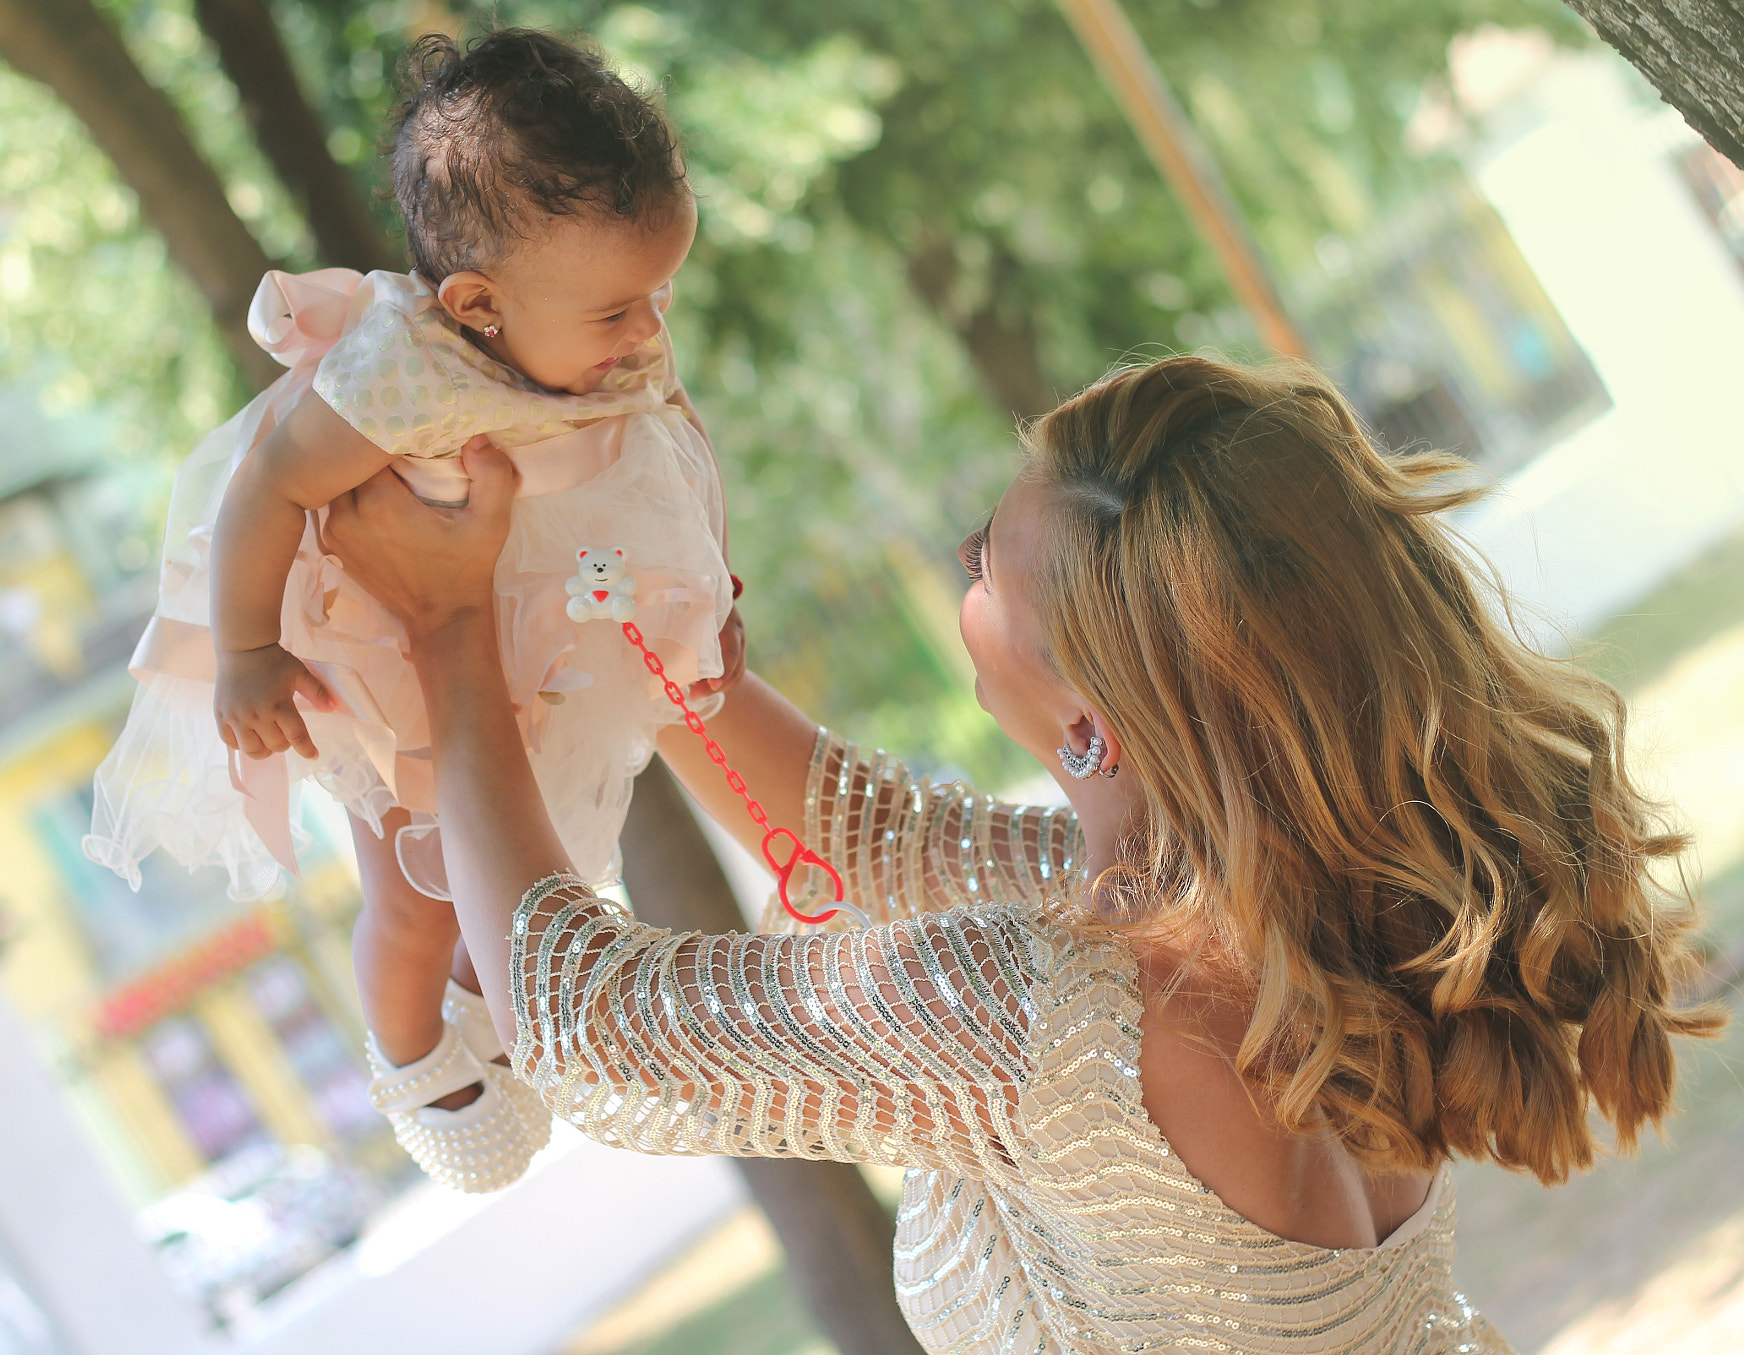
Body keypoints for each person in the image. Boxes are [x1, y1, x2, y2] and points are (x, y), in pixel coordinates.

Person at [318, 353, 1721, 1352]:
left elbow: (584, 1023)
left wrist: (448, 632)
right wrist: (673, 659)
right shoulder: (1262, 923)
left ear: (1091, 717)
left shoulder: (1052, 1009)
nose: (963, 572)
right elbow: (894, 837)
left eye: (987, 559)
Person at [83, 29, 741, 1192]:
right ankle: (411, 1054)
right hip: (386, 642)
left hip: (553, 609)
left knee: (525, 838)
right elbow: (269, 486)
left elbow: (674, 437)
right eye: (616, 312)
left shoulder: (605, 321)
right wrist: (243, 654)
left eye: (658, 294)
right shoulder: (397, 371)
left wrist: (707, 588)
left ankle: (510, 1009)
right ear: (476, 303)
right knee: (409, 882)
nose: (646, 332)